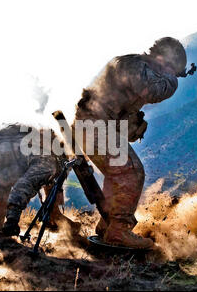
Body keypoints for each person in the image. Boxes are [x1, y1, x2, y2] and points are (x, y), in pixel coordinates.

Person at [74, 37, 190, 249]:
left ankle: (108, 225)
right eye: (170, 67)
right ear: (163, 60)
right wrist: (173, 79)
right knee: (131, 172)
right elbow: (153, 91)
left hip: (93, 125)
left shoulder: (137, 65)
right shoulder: (134, 65)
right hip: (94, 126)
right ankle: (119, 232)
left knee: (118, 174)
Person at [0, 124, 79, 237]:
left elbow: (50, 188)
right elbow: (23, 187)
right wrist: (12, 220)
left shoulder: (39, 145)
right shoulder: (48, 162)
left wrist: (56, 216)